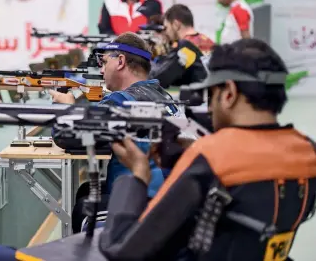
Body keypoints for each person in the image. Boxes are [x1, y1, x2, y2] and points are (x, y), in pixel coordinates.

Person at [98, 38, 316, 260]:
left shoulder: (211, 157)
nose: (209, 107)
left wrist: (137, 175)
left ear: (229, 93)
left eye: (211, 95)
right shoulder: (307, 151)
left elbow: (122, 249)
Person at [49, 32, 177, 233]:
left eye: (104, 62)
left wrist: (68, 108)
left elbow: (65, 136)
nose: (101, 70)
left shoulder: (122, 102)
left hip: (147, 204)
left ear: (121, 61)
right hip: (172, 199)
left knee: (85, 207)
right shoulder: (163, 95)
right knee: (87, 191)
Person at [149, 4, 209, 88]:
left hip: (200, 95)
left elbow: (160, 78)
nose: (166, 32)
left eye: (166, 28)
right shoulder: (208, 41)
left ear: (176, 25)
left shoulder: (185, 47)